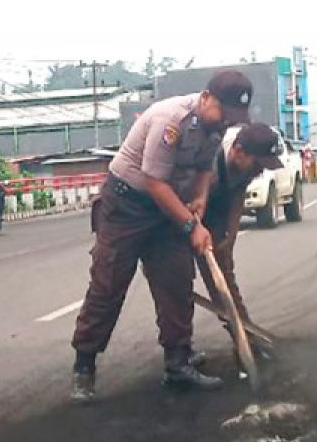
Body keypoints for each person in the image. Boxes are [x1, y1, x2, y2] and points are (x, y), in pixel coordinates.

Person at [69, 70, 253, 404]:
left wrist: (199, 199)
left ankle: (178, 363)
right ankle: (84, 366)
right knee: (109, 284)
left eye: (233, 117)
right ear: (207, 97)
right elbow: (154, 182)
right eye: (224, 112)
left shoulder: (215, 126)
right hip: (127, 206)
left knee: (176, 280)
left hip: (166, 211)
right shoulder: (171, 120)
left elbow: (203, 169)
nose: (227, 121)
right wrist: (191, 226)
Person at [194, 123, 285, 368]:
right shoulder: (209, 160)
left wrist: (231, 233)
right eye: (258, 163)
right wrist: (194, 229)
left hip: (213, 211)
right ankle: (178, 356)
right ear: (239, 151)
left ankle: (246, 340)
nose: (259, 171)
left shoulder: (245, 165)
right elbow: (181, 198)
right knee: (175, 281)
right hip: (176, 211)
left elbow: (237, 194)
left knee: (223, 280)